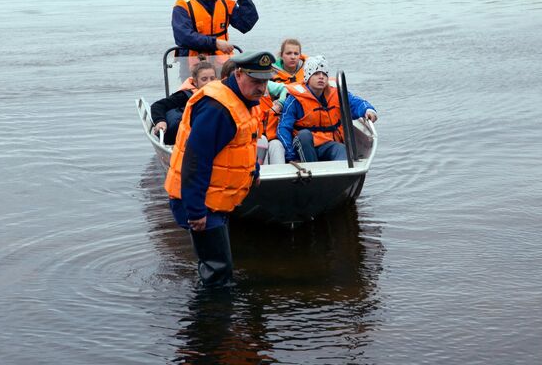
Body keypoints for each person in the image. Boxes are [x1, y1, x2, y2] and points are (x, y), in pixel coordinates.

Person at [164, 50, 275, 287]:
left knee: (217, 264)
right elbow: (196, 160)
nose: (262, 88)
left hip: (216, 197)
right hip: (200, 201)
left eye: (265, 81)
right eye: (256, 81)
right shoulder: (217, 109)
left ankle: (217, 313)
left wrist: (253, 169)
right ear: (238, 74)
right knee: (218, 273)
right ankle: (211, 319)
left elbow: (243, 142)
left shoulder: (244, 100)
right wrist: (195, 212)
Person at [277, 55, 378, 163]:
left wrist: (368, 110)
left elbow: (356, 102)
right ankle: (312, 172)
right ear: (307, 77)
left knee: (342, 150)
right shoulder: (294, 99)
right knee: (304, 135)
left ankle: (341, 174)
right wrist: (291, 156)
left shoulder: (336, 94)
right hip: (304, 145)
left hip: (329, 143)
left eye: (324, 74)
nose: (321, 77)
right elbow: (283, 128)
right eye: (316, 74)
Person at [171, 0, 259, 57]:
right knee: (204, 71)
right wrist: (215, 43)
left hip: (222, 62)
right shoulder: (182, 6)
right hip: (194, 65)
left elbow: (246, 24)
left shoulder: (224, 2)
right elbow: (183, 37)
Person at [151, 60, 217, 145]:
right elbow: (158, 105)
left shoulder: (222, 95)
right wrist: (160, 121)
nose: (209, 82)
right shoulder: (185, 96)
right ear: (195, 82)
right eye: (204, 79)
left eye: (212, 78)